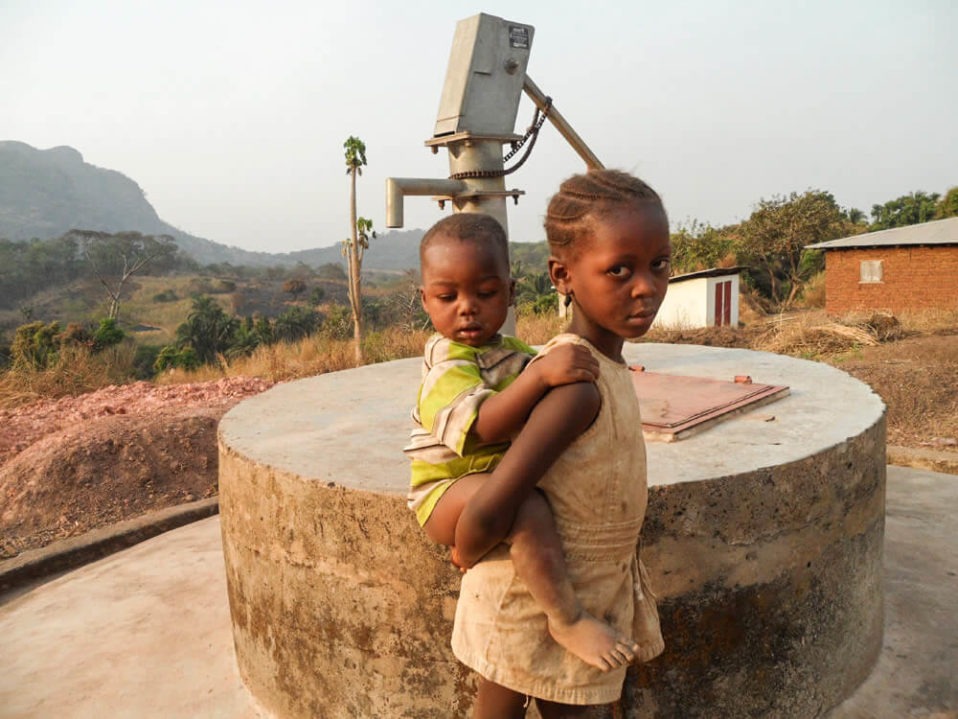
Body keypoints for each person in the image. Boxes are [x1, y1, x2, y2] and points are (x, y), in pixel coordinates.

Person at [450, 169, 669, 718]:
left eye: (658, 265)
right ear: (562, 275)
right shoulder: (574, 386)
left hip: (583, 594)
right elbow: (505, 495)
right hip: (532, 600)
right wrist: (467, 547)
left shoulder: (604, 369)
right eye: (619, 270)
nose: (645, 286)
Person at [406, 212, 642, 673]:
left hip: (482, 483)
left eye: (486, 293)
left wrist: (547, 370)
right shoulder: (446, 362)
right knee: (529, 507)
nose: (467, 307)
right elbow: (485, 428)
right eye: (447, 296)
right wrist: (538, 377)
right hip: (443, 493)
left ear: (511, 293)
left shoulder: (509, 352)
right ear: (425, 301)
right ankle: (567, 618)